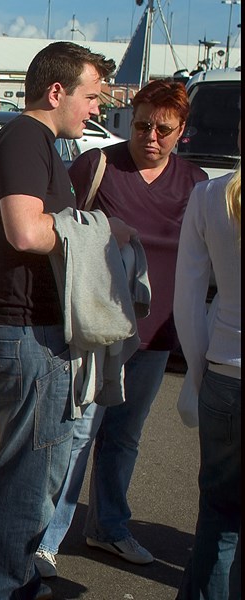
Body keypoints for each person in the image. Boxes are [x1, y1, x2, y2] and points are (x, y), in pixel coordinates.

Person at [0, 41, 127, 599]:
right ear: (56, 92)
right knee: (31, 485)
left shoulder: (39, 144)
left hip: (29, 329)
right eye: (91, 96)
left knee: (24, 476)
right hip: (28, 331)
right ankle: (5, 589)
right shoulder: (27, 140)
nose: (97, 109)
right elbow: (26, 231)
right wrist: (101, 231)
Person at [33, 80, 208, 578]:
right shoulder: (98, 166)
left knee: (125, 437)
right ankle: (47, 537)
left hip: (157, 334)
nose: (151, 136)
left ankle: (108, 525)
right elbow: (58, 228)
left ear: (182, 132)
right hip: (100, 330)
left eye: (163, 129)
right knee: (81, 433)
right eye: (141, 125)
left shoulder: (194, 183)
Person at [174, 125, 240, 600]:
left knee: (219, 516)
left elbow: (188, 302)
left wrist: (201, 377)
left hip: (224, 374)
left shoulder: (209, 196)